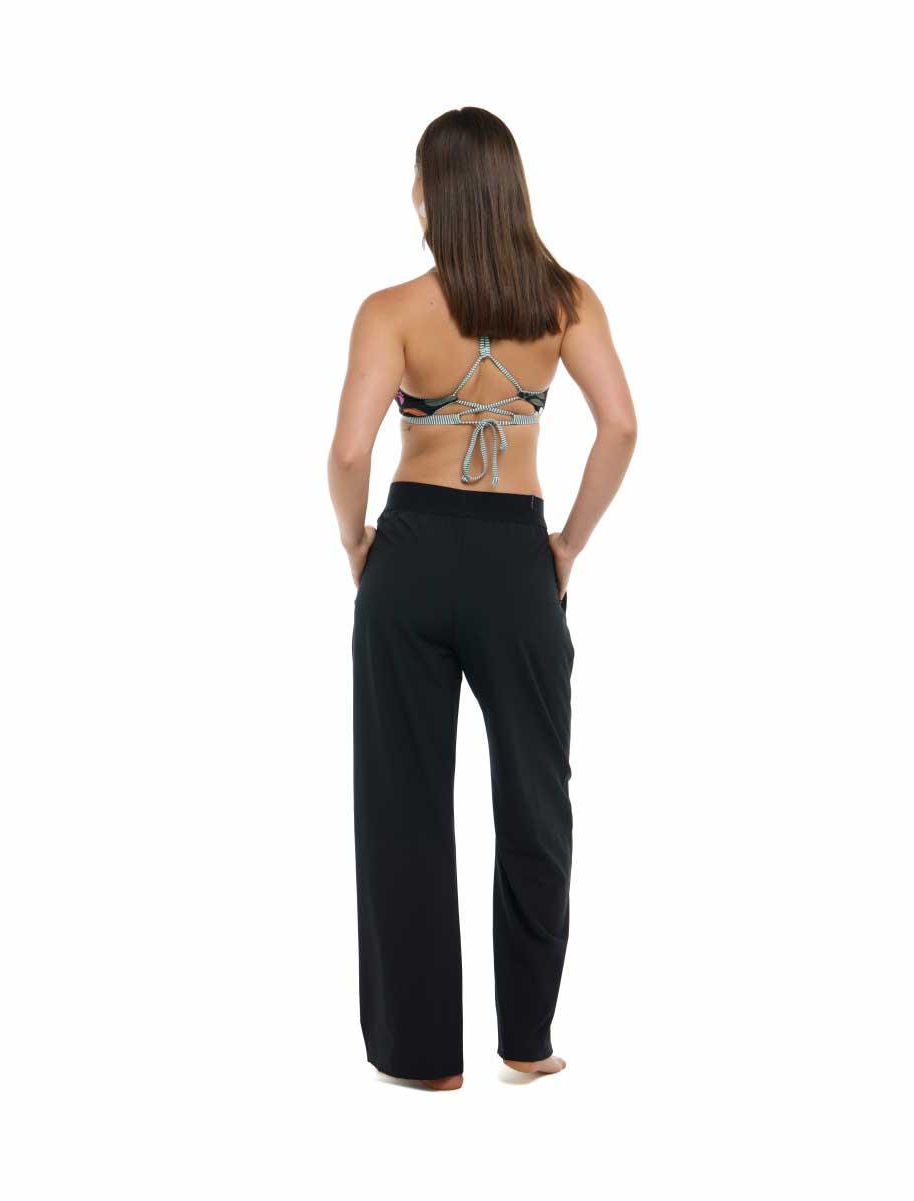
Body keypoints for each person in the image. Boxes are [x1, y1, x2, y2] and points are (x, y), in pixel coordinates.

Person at [328, 107, 637, 1090]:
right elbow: (621, 427)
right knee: (537, 803)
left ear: (433, 193)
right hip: (516, 560)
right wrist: (568, 546)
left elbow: (348, 451)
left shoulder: (390, 310)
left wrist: (357, 543)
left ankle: (423, 1059)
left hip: (411, 553)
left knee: (402, 805)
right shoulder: (566, 301)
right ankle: (527, 1040)